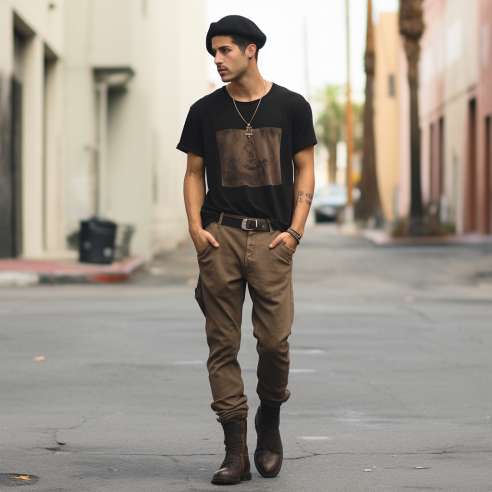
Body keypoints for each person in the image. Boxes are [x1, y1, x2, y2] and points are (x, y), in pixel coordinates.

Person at [177, 14, 316, 485]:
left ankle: (270, 419)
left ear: (251, 49)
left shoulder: (292, 107)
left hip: (273, 238)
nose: (217, 60)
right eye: (213, 52)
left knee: (275, 343)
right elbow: (194, 173)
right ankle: (234, 450)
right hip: (222, 236)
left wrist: (295, 231)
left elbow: (305, 169)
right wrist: (196, 229)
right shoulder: (204, 111)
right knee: (222, 344)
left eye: (225, 50)